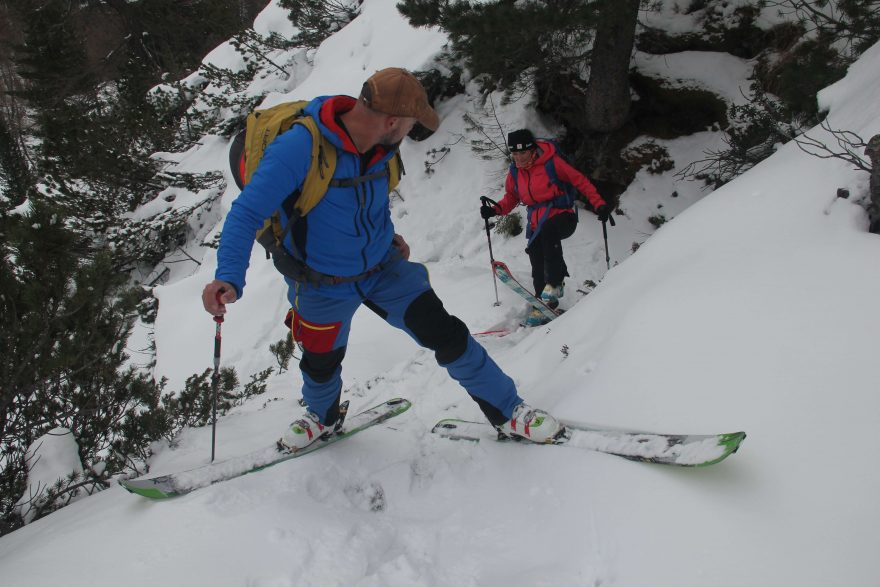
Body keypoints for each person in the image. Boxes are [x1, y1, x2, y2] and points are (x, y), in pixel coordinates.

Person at [202, 68, 563, 450]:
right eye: (409, 125)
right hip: (319, 283)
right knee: (321, 363)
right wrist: (228, 277)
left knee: (449, 335)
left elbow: (368, 205)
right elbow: (246, 213)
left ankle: (508, 411)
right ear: (392, 121)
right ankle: (322, 418)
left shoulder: (382, 149)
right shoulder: (300, 147)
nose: (409, 133)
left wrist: (389, 238)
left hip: (383, 271)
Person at [481, 129, 610, 326]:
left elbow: (580, 181)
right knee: (536, 256)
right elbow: (511, 197)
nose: (519, 158)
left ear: (533, 150)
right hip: (537, 222)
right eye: (515, 153)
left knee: (549, 231)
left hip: (563, 217)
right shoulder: (515, 172)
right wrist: (494, 210)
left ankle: (555, 284)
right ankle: (543, 303)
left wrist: (599, 204)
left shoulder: (552, 163)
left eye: (523, 152)